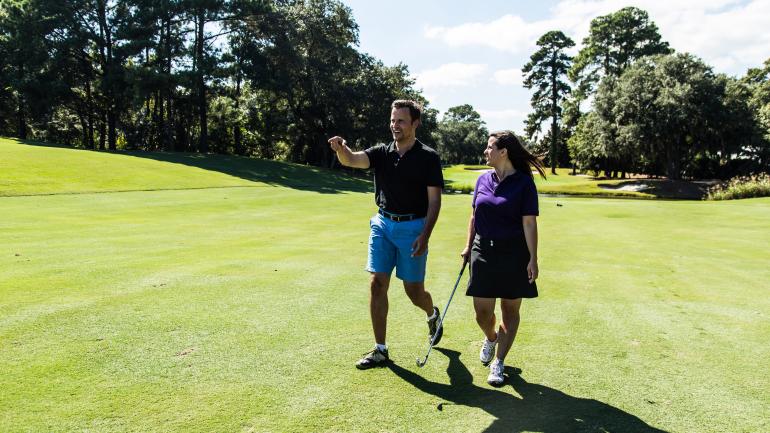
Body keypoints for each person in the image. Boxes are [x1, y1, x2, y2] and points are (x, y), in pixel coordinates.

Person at [328, 100, 445, 369]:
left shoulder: (428, 157)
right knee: (376, 284)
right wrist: (341, 149)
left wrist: (425, 235)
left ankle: (431, 312)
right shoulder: (382, 152)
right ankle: (380, 350)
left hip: (414, 228)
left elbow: (435, 202)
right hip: (382, 224)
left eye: (401, 121)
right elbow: (353, 160)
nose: (395, 125)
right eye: (393, 120)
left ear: (415, 123)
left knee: (414, 291)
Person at [459, 131, 546, 386]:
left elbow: (529, 223)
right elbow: (474, 216)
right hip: (482, 251)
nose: (485, 152)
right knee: (482, 313)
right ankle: (492, 337)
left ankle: (499, 362)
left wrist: (533, 258)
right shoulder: (482, 180)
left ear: (503, 151)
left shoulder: (524, 184)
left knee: (510, 310)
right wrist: (467, 247)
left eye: (489, 147)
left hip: (513, 253)